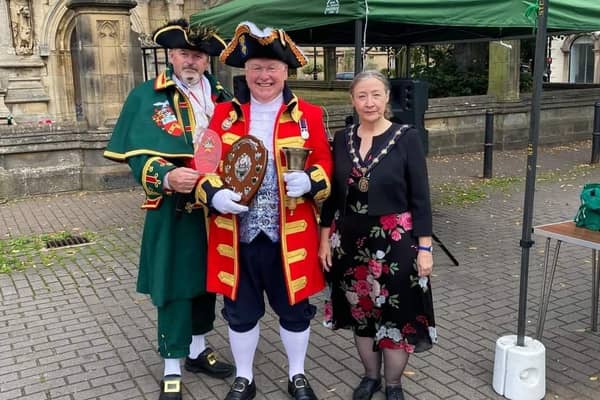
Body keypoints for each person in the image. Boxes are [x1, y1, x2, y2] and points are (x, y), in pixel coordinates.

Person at [195, 21, 333, 400]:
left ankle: (297, 374)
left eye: (272, 68)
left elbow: (325, 166)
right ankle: (244, 377)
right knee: (239, 312)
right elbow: (203, 168)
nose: (264, 75)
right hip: (237, 236)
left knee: (294, 311)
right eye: (256, 67)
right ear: (246, 72)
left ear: (285, 72)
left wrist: (311, 182)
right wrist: (215, 195)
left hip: (289, 235)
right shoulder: (223, 114)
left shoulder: (309, 114)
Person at [103, 19, 234, 400]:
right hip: (174, 208)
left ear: (207, 61)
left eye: (198, 55)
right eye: (184, 54)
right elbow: (136, 156)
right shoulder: (148, 96)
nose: (191, 61)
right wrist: (164, 175)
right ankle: (172, 364)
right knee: (175, 285)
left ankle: (196, 349)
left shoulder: (223, 97)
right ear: (171, 56)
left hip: (217, 209)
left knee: (207, 280)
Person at [318, 70, 437, 400]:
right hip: (351, 240)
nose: (369, 102)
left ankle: (394, 383)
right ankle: (370, 376)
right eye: (362, 96)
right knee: (361, 310)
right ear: (352, 100)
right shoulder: (342, 138)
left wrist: (424, 248)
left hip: (396, 240)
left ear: (387, 98)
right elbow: (332, 192)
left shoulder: (406, 137)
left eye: (375, 95)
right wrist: (324, 237)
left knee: (397, 313)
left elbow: (421, 198)